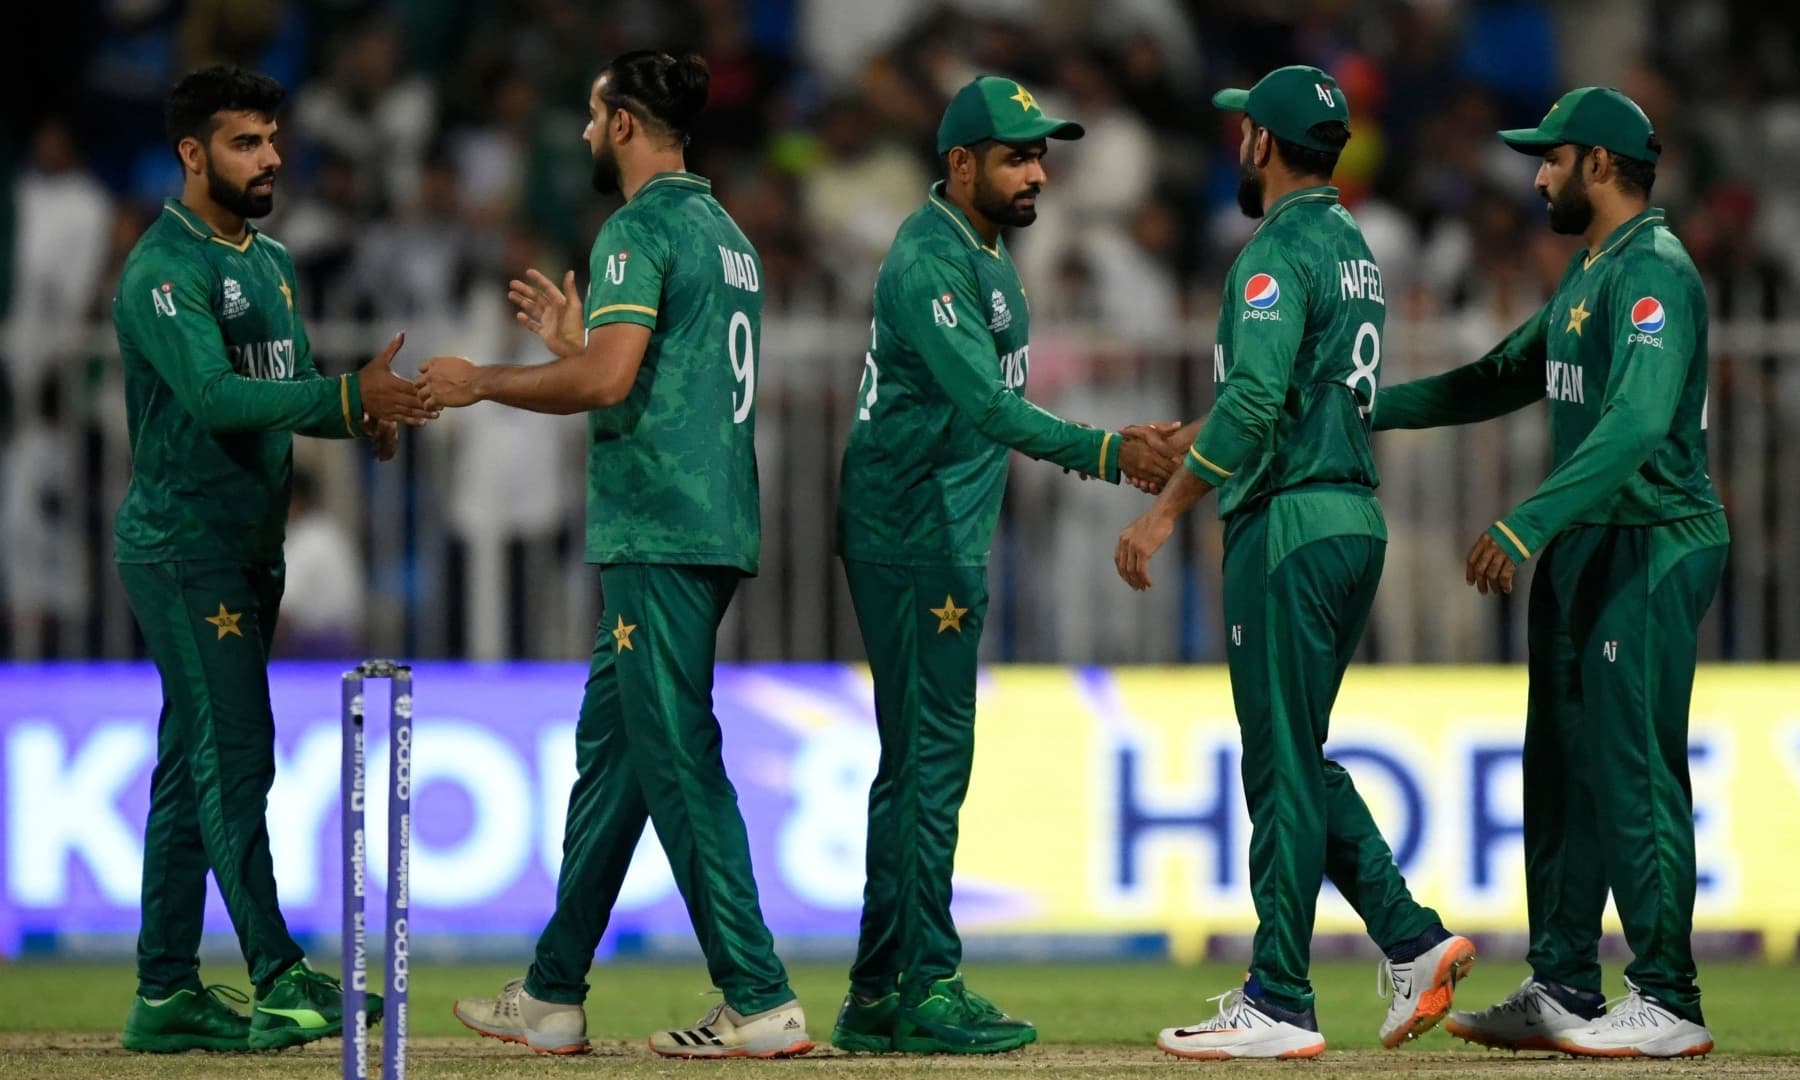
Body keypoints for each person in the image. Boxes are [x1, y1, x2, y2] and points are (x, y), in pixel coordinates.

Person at [424, 52, 812, 1059]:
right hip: (711, 518)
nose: (587, 135)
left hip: (658, 529)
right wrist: (576, 344)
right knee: (617, 761)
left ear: (628, 125)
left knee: (677, 754)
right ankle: (552, 994)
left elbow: (609, 383)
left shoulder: (636, 229)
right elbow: (650, 376)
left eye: (596, 119)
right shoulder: (726, 235)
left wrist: (483, 381)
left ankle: (759, 995)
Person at [1112, 65, 1474, 1060]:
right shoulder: (1352, 247)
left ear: (1262, 146)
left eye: (1245, 133)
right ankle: (1409, 937)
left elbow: (1263, 401)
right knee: (1296, 756)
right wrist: (1195, 433)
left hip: (1286, 527)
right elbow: (1297, 391)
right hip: (1351, 516)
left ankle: (1280, 997)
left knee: (1276, 764)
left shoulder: (1270, 252)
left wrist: (1166, 515)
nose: (1239, 145)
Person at [829, 75, 1178, 1056]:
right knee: (930, 767)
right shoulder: (930, 263)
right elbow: (987, 410)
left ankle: (879, 992)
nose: (1038, 174)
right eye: (1018, 157)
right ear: (959, 164)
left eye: (1042, 156)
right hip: (912, 535)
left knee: (918, 770)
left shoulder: (985, 256)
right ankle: (924, 983)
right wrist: (1113, 454)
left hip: (945, 532)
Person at [1376, 87, 1726, 1060]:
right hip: (1588, 537)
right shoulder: (1590, 273)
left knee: (1630, 766)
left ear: (1600, 167)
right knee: (1560, 772)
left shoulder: (1654, 272)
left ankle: (1669, 995)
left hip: (1650, 537)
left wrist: (1528, 519)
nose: (1535, 177)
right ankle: (1565, 983)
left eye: (1552, 159)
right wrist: (1348, 410)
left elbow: (1639, 422)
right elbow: (1489, 378)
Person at [115, 66, 431, 1054]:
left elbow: (284, 389)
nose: (271, 157)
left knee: (188, 769)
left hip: (250, 550)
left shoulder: (273, 262)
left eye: (272, 138)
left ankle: (165, 993)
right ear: (192, 154)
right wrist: (344, 400)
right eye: (247, 142)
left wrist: (361, 421)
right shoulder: (163, 269)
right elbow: (216, 398)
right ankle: (279, 977)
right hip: (183, 551)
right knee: (236, 755)